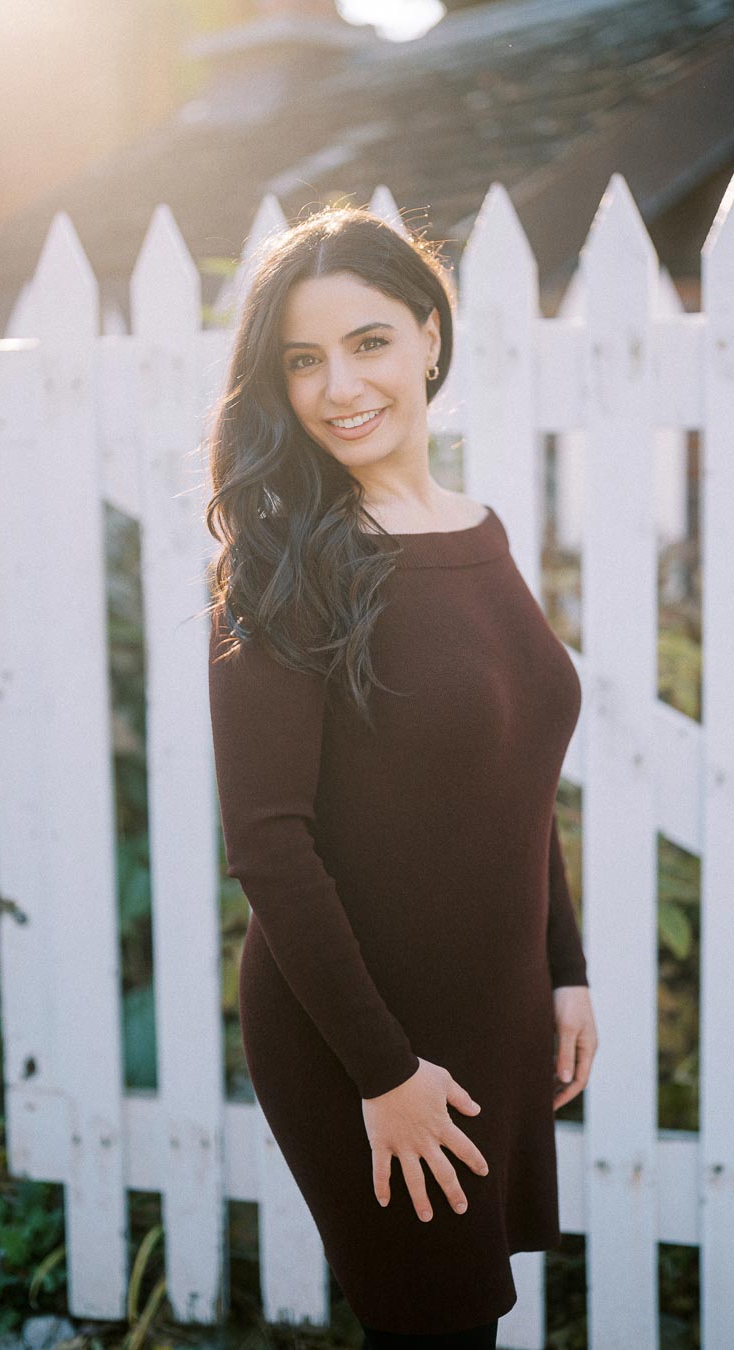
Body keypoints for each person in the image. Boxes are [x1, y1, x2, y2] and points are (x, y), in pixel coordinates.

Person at [204, 204, 598, 1347]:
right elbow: (269, 844)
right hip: (360, 1036)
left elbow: (516, 771)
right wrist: (384, 1075)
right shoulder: (281, 567)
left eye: (368, 342)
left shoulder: (476, 529)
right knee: (436, 1321)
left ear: (430, 334)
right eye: (303, 361)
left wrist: (563, 971)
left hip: (489, 1007)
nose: (339, 388)